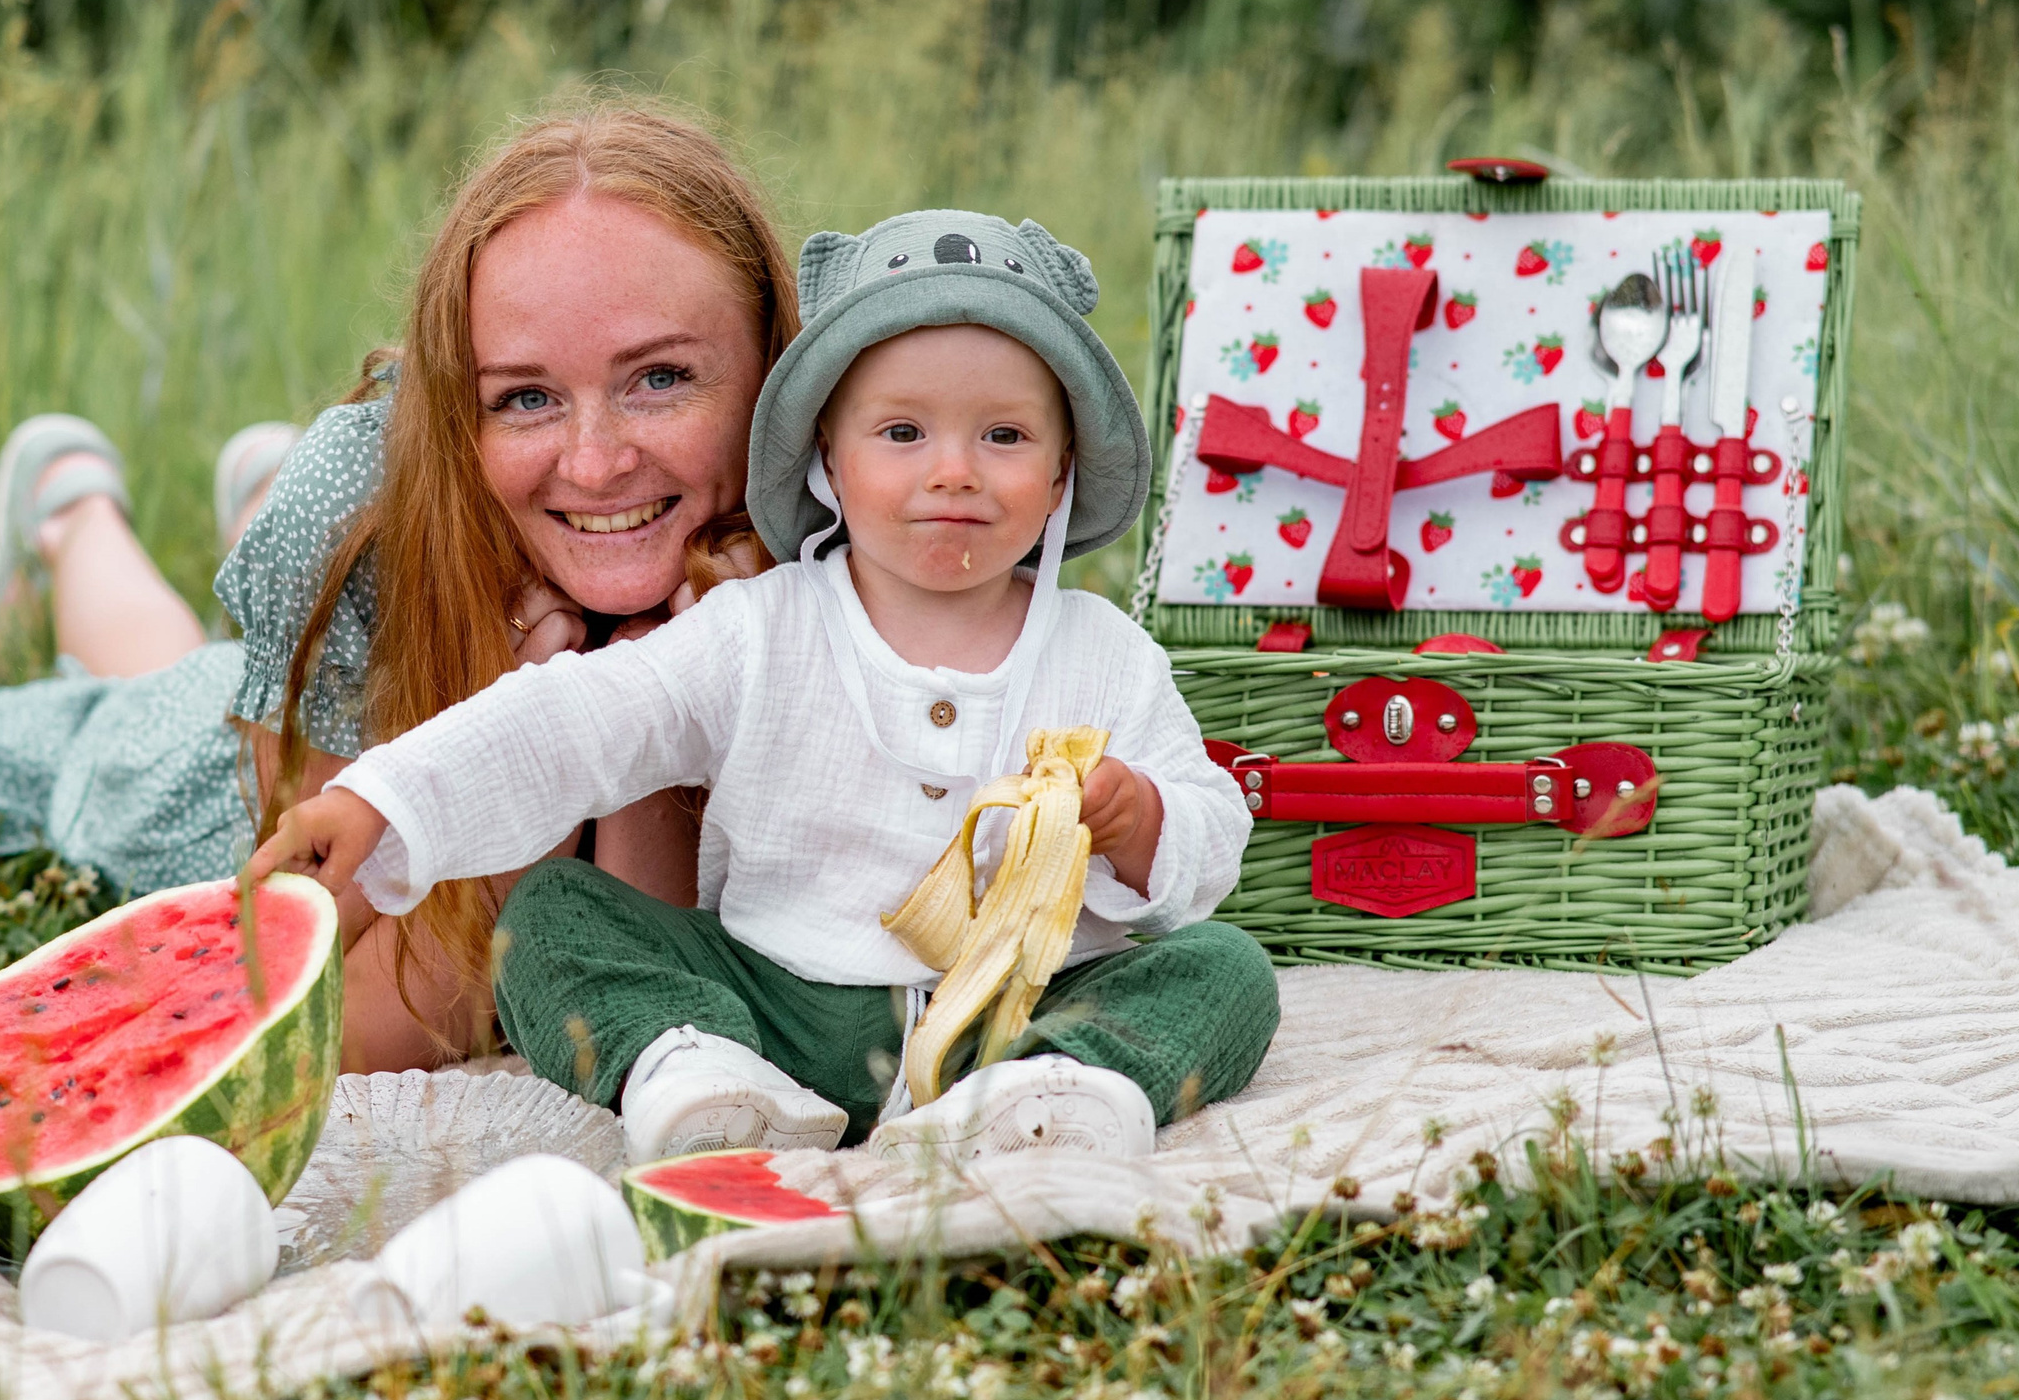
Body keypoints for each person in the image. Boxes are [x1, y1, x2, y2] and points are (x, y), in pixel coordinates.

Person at [250, 209, 1282, 1166]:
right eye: (902, 434)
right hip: (780, 1004)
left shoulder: (1106, 654)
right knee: (552, 918)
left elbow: (1209, 836)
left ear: (1060, 474)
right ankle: (696, 1069)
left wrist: (1142, 821)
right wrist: (386, 801)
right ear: (829, 457)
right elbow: (574, 721)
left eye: (1004, 437)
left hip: (1019, 1011)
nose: (954, 471)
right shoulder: (759, 628)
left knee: (1225, 970)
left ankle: (1054, 1092)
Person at [0, 105, 798, 1071]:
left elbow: (661, 963)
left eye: (659, 379)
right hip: (202, 779)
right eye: (527, 397)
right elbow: (343, 1009)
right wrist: (522, 718)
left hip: (397, 579)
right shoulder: (351, 506)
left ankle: (252, 500)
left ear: (778, 371)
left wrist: (649, 674)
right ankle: (70, 508)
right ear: (459, 409)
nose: (594, 460)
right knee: (138, 689)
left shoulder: (857, 508)